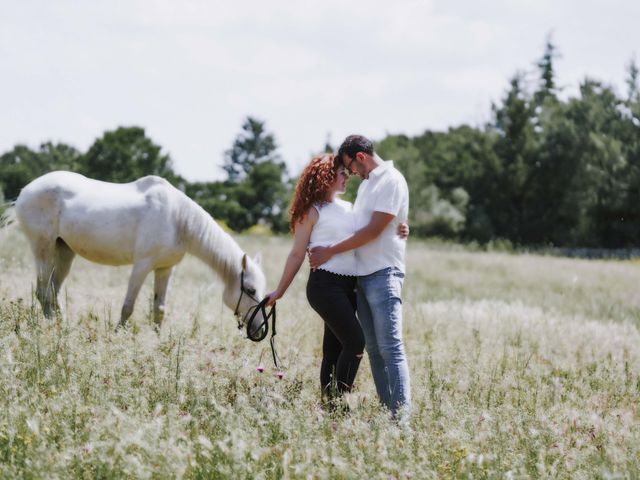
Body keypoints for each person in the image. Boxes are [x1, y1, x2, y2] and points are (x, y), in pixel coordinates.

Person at [265, 153, 407, 406]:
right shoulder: (311, 211)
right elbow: (297, 254)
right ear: (326, 176)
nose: (347, 178)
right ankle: (339, 405)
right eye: (342, 173)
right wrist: (279, 291)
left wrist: (401, 227)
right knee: (355, 342)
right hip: (324, 286)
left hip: (350, 286)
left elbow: (372, 229)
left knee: (334, 350)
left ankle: (330, 410)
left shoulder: (351, 208)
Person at [309, 135, 411, 418]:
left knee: (390, 347)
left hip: (383, 272)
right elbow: (368, 224)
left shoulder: (390, 179)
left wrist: (329, 251)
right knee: (375, 350)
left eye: (350, 167)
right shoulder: (368, 186)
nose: (351, 174)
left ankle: (400, 420)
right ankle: (388, 411)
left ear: (361, 157)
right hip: (362, 277)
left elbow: (372, 231)